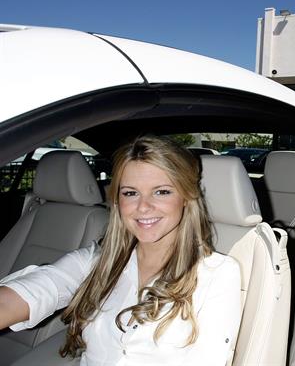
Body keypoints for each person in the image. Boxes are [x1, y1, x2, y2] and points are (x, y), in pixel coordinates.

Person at [0, 135, 241, 365]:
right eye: (130, 193)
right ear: (117, 201)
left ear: (186, 198)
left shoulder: (217, 274)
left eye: (162, 191)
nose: (143, 207)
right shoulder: (96, 262)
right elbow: (30, 293)